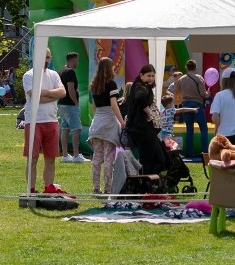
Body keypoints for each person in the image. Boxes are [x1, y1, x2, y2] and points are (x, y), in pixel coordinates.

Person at [22, 48, 68, 194]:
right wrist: (53, 95)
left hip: (52, 120)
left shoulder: (54, 74)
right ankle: (31, 189)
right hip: (34, 122)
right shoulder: (29, 75)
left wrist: (45, 93)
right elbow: (35, 97)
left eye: (48, 57)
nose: (47, 60)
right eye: (44, 57)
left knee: (50, 159)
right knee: (32, 159)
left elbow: (63, 92)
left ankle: (49, 188)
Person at [87, 57, 124, 194]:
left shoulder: (94, 85)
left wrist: (95, 120)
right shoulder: (112, 84)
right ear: (110, 68)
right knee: (109, 157)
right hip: (109, 122)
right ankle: (108, 188)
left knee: (97, 158)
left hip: (97, 123)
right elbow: (114, 105)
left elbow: (95, 107)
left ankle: (96, 188)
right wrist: (122, 121)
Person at [125, 64, 167, 175]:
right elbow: (140, 97)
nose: (151, 78)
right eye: (148, 75)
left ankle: (147, 182)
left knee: (160, 159)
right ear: (141, 75)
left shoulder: (141, 85)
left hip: (145, 131)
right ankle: (144, 184)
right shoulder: (141, 86)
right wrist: (149, 113)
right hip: (143, 131)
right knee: (148, 161)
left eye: (153, 76)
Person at [171, 59, 210, 158]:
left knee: (189, 129)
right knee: (203, 128)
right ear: (195, 67)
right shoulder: (199, 78)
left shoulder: (182, 79)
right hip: (197, 104)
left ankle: (190, 153)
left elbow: (174, 89)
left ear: (186, 67)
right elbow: (203, 94)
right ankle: (205, 152)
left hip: (186, 105)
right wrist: (207, 94)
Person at [57, 52, 84, 163]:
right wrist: (76, 102)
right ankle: (76, 155)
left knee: (65, 129)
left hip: (62, 103)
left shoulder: (62, 71)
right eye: (77, 60)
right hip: (69, 104)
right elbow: (71, 88)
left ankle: (65, 154)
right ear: (72, 60)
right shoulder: (70, 72)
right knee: (76, 129)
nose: (77, 63)